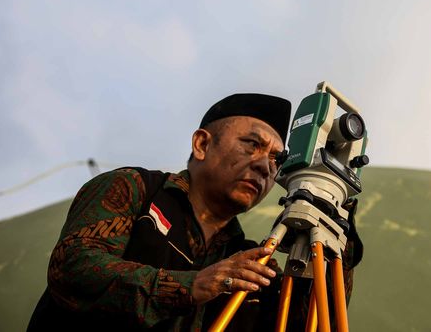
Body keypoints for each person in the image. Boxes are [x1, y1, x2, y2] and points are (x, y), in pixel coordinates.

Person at [28, 93, 362, 331]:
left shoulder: (251, 263)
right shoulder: (136, 190)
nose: (265, 166)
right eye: (252, 144)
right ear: (202, 144)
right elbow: (72, 269)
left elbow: (311, 324)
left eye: (277, 159)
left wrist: (338, 234)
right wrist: (188, 286)